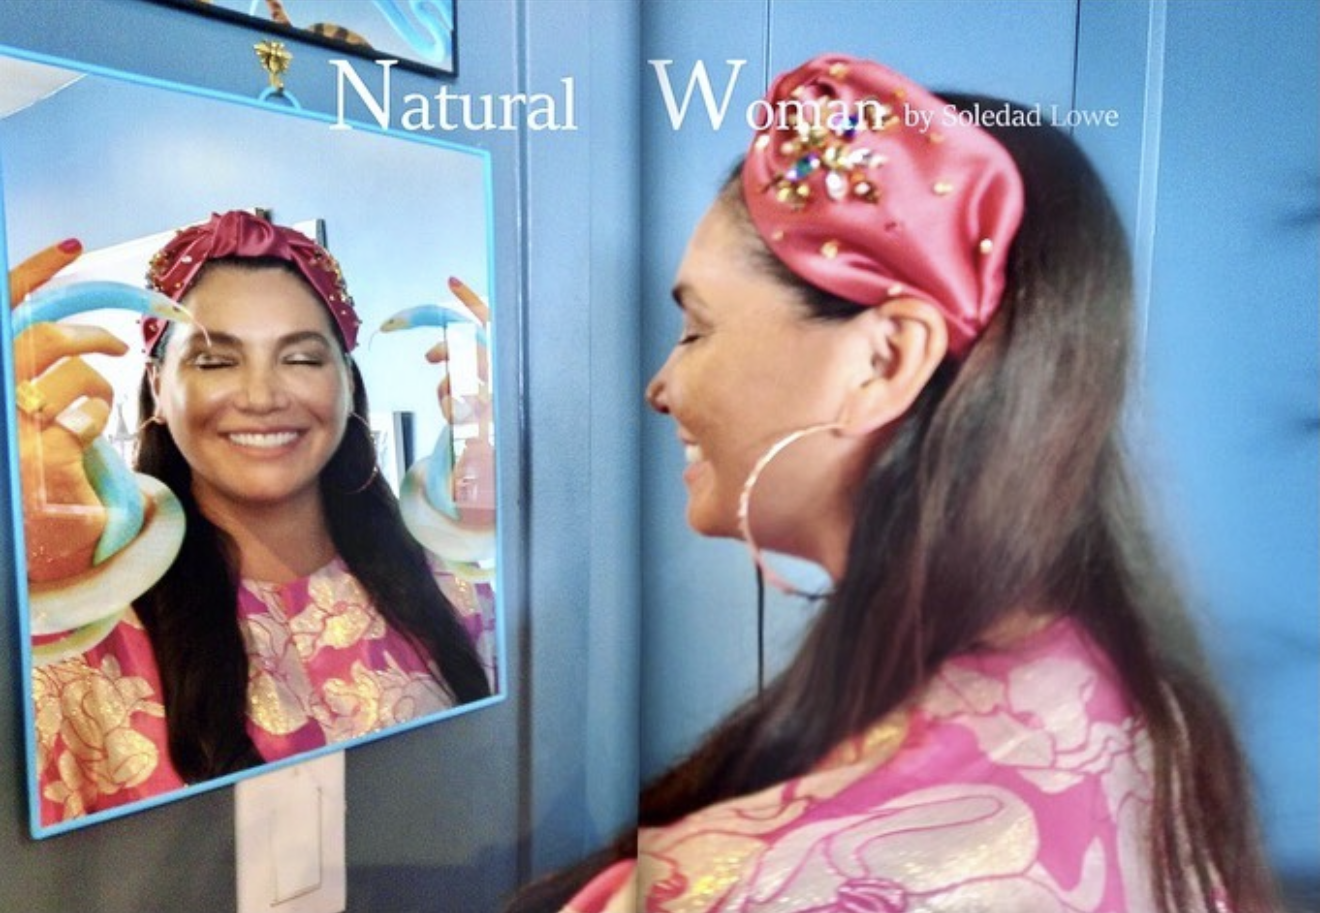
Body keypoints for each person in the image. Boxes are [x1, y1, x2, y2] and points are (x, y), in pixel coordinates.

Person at [508, 55, 1277, 913]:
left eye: (695, 330)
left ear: (883, 360)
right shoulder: (1127, 696)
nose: (660, 387)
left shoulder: (782, 886)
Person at [21, 211, 495, 824]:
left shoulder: (456, 588)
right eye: (216, 361)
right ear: (158, 389)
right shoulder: (75, 634)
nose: (263, 396)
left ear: (348, 385)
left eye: (300, 358)